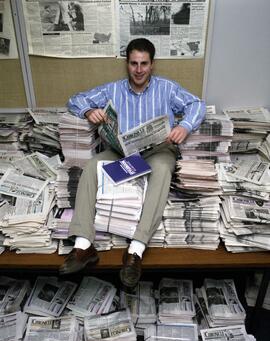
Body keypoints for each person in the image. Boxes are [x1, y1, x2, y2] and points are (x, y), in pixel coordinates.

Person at [59, 38, 206, 288]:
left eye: (144, 64)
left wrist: (185, 125)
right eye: (134, 64)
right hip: (122, 152)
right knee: (93, 166)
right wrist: (88, 111)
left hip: (157, 151)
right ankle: (84, 246)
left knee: (161, 169)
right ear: (127, 64)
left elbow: (197, 104)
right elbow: (75, 99)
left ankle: (135, 250)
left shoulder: (167, 88)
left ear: (152, 64)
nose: (139, 70)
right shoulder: (113, 89)